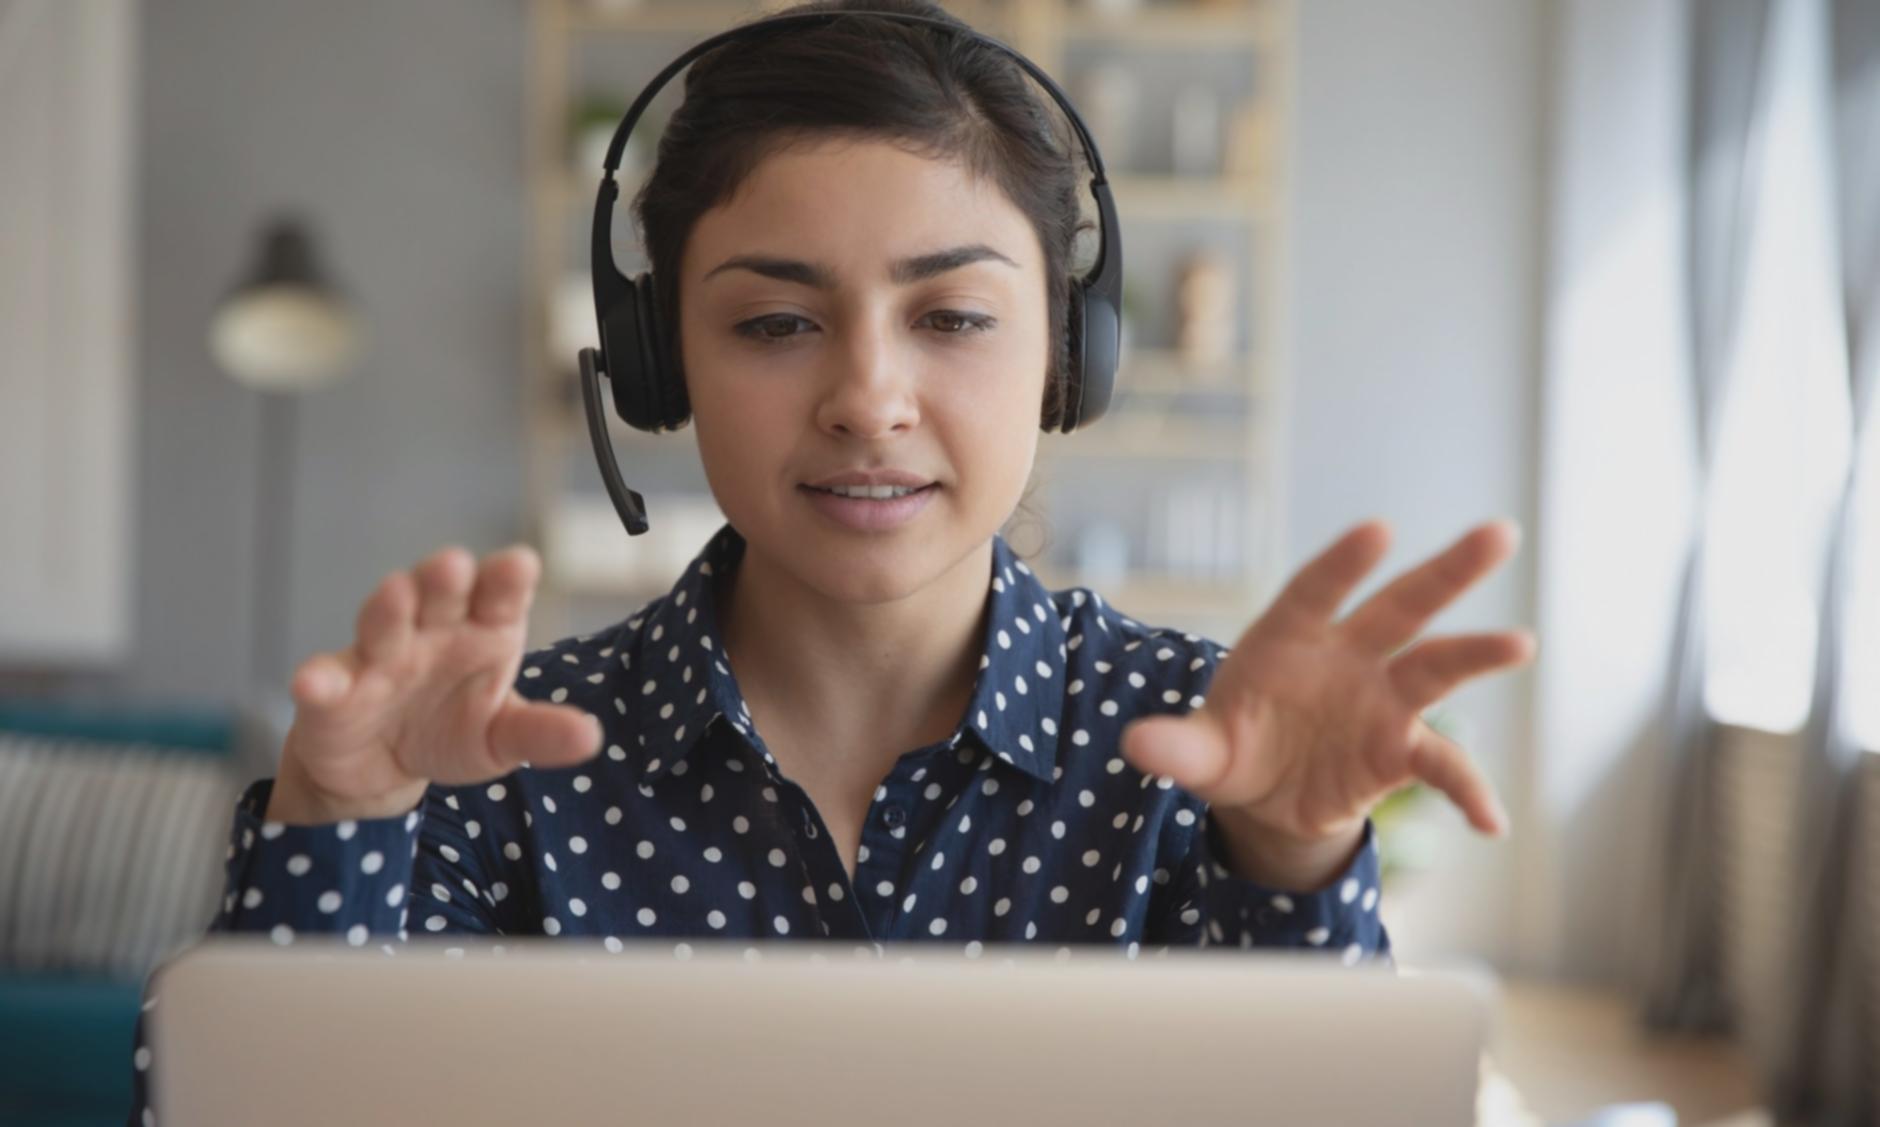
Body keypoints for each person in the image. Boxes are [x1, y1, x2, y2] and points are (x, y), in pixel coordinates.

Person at [123, 0, 1535, 1122]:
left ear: (1069, 355)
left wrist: (1288, 862)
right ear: (660, 361)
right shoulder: (496, 766)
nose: (869, 396)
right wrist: (340, 821)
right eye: (776, 324)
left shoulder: (1196, 754)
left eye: (955, 319)